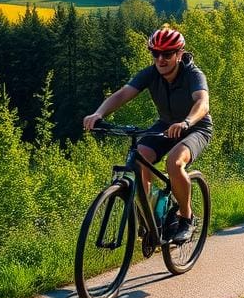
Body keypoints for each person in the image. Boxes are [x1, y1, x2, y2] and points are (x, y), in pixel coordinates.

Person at [83, 25, 211, 244]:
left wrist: (186, 121)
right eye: (155, 54)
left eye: (167, 54)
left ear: (179, 54)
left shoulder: (193, 74)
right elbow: (123, 94)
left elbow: (202, 102)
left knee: (174, 162)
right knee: (139, 158)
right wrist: (99, 113)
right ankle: (153, 218)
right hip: (165, 125)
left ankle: (186, 218)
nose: (161, 59)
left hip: (196, 127)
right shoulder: (151, 74)